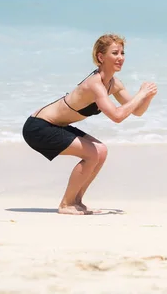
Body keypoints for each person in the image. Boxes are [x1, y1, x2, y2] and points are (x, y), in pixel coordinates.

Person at [22, 33, 158, 215]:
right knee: (93, 154)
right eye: (115, 53)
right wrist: (140, 94)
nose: (120, 58)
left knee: (101, 151)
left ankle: (76, 202)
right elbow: (117, 116)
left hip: (57, 126)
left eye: (122, 53)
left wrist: (147, 97)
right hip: (39, 127)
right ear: (101, 57)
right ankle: (66, 204)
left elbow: (137, 111)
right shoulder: (95, 84)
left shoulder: (114, 84)